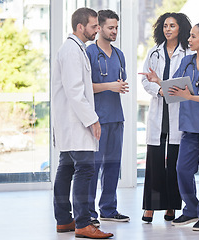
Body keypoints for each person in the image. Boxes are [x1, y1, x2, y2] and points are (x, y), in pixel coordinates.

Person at [142, 22, 199, 231]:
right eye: (190, 36)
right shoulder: (188, 61)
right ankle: (191, 210)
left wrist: (189, 96)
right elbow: (174, 86)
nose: (189, 39)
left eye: (193, 37)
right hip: (189, 128)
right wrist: (157, 81)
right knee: (182, 170)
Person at [52, 7, 113, 239]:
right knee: (85, 169)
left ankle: (64, 220)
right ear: (80, 27)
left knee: (66, 168)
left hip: (71, 122)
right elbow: (75, 91)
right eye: (94, 26)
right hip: (75, 122)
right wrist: (92, 119)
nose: (97, 29)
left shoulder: (76, 49)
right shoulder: (71, 51)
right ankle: (84, 224)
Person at [139, 12, 192, 223]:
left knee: (175, 164)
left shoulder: (188, 52)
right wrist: (160, 90)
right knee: (155, 163)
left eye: (172, 25)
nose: (168, 29)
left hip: (179, 113)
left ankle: (171, 206)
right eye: (165, 25)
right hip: (159, 111)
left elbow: (187, 83)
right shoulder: (154, 52)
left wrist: (163, 86)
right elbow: (145, 80)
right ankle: (150, 207)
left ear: (181, 28)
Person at [86, 9, 130, 227]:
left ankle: (109, 209)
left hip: (116, 118)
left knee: (113, 165)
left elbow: (120, 81)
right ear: (99, 28)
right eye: (110, 28)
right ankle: (89, 213)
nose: (114, 32)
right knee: (93, 168)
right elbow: (84, 87)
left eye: (116, 28)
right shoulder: (89, 53)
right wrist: (110, 86)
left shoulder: (119, 54)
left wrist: (118, 87)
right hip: (97, 118)